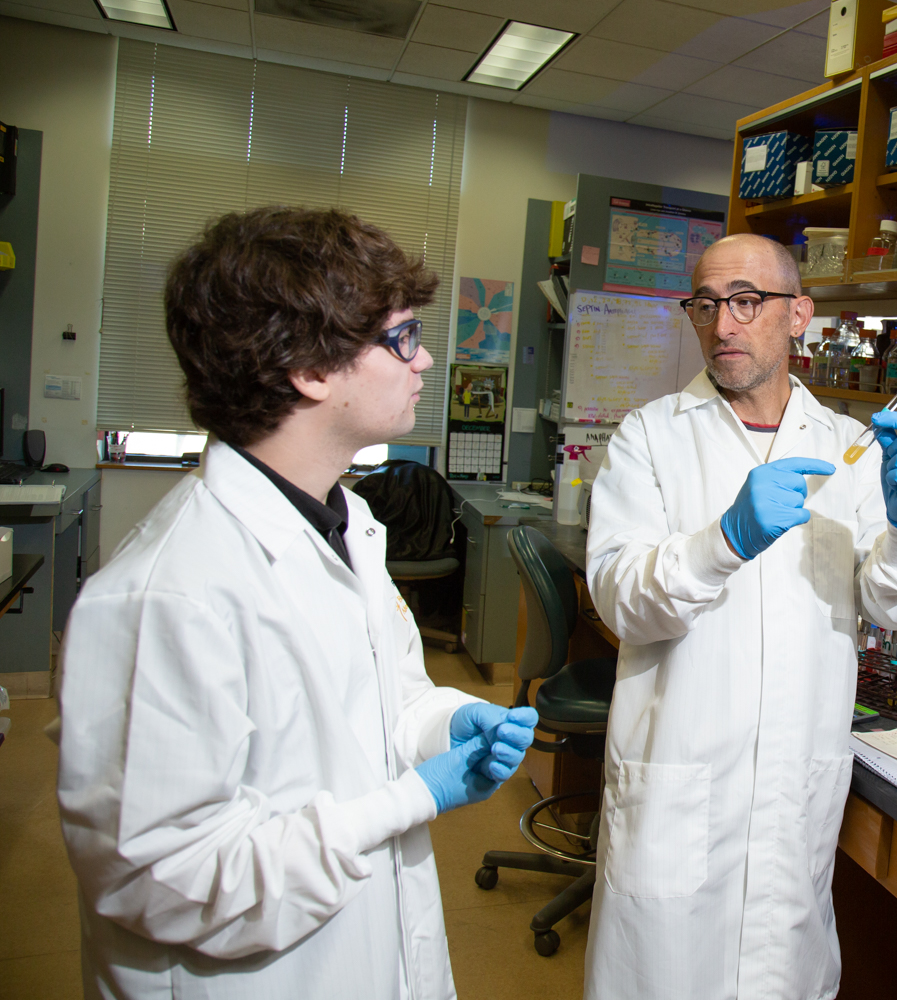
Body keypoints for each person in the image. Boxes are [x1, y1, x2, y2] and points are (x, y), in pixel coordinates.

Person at [55, 207, 538, 1000]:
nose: (424, 364)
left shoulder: (347, 524)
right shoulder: (166, 596)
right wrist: (411, 799)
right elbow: (164, 880)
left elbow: (380, 695)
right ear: (312, 370)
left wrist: (440, 720)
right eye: (403, 339)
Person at [583, 233, 897, 999]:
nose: (723, 325)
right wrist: (723, 542)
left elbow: (893, 599)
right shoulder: (649, 438)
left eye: (747, 302)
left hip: (792, 789)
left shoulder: (850, 450)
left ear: (799, 314)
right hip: (679, 781)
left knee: (781, 974)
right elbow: (619, 599)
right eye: (706, 305)